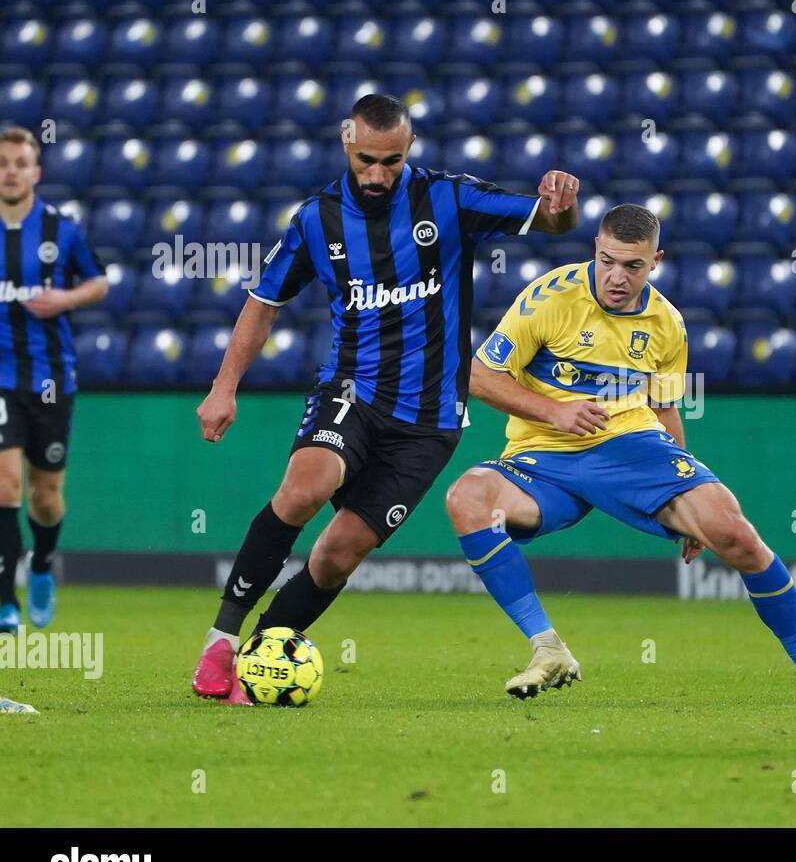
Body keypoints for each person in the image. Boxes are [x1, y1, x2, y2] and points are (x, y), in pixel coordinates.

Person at [191, 94, 581, 703]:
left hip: (429, 423)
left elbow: (549, 220)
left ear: (410, 148)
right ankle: (219, 640)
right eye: (367, 160)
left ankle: (259, 655)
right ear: (347, 143)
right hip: (354, 389)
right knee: (304, 489)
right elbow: (264, 302)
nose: (377, 174)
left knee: (337, 554)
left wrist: (561, 204)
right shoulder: (316, 219)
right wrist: (224, 386)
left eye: (392, 161)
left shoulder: (448, 199)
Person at [444, 204, 796, 705]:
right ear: (594, 251)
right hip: (543, 457)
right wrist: (552, 412)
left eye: (632, 266)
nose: (616, 277)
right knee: (467, 499)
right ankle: (547, 647)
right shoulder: (549, 298)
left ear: (655, 261)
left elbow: (666, 411)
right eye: (607, 261)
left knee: (737, 535)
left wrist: (686, 493)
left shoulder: (667, 324)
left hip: (631, 447)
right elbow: (477, 375)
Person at [0, 126, 108, 634]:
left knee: (45, 496)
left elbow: (99, 280)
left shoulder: (60, 229)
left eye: (21, 162)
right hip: (1, 378)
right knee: (5, 486)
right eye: (3, 162)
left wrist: (63, 299)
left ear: (36, 172)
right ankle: (5, 603)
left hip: (49, 378)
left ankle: (41, 565)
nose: (11, 170)